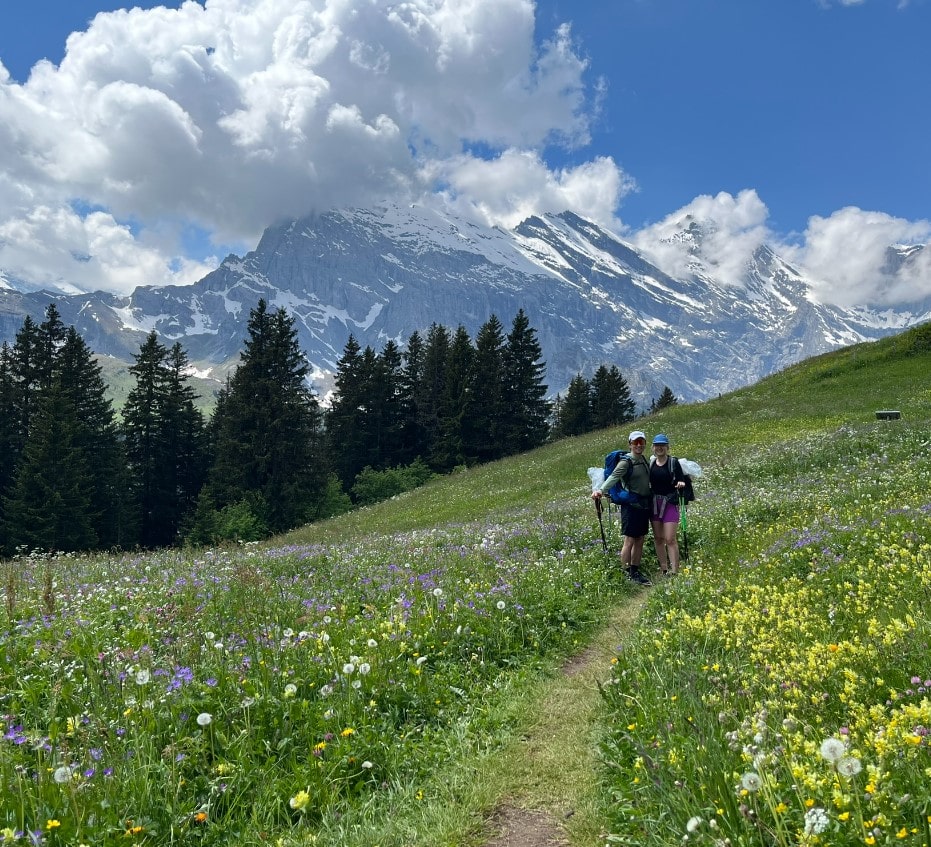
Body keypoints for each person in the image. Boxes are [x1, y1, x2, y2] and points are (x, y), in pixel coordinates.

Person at [592, 430, 652, 585]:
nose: (638, 445)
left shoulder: (643, 459)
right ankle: (626, 574)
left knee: (640, 539)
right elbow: (614, 477)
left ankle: (635, 571)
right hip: (631, 506)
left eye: (641, 442)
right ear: (630, 444)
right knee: (630, 540)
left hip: (643, 505)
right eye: (635, 442)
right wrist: (601, 490)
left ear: (644, 443)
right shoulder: (626, 462)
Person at [648, 433, 687, 576]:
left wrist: (681, 483)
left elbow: (681, 479)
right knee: (658, 538)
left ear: (667, 447)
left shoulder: (673, 462)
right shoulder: (651, 463)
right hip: (654, 504)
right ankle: (664, 569)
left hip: (669, 503)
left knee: (670, 538)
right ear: (653, 447)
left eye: (662, 445)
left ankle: (675, 571)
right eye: (657, 445)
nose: (660, 448)